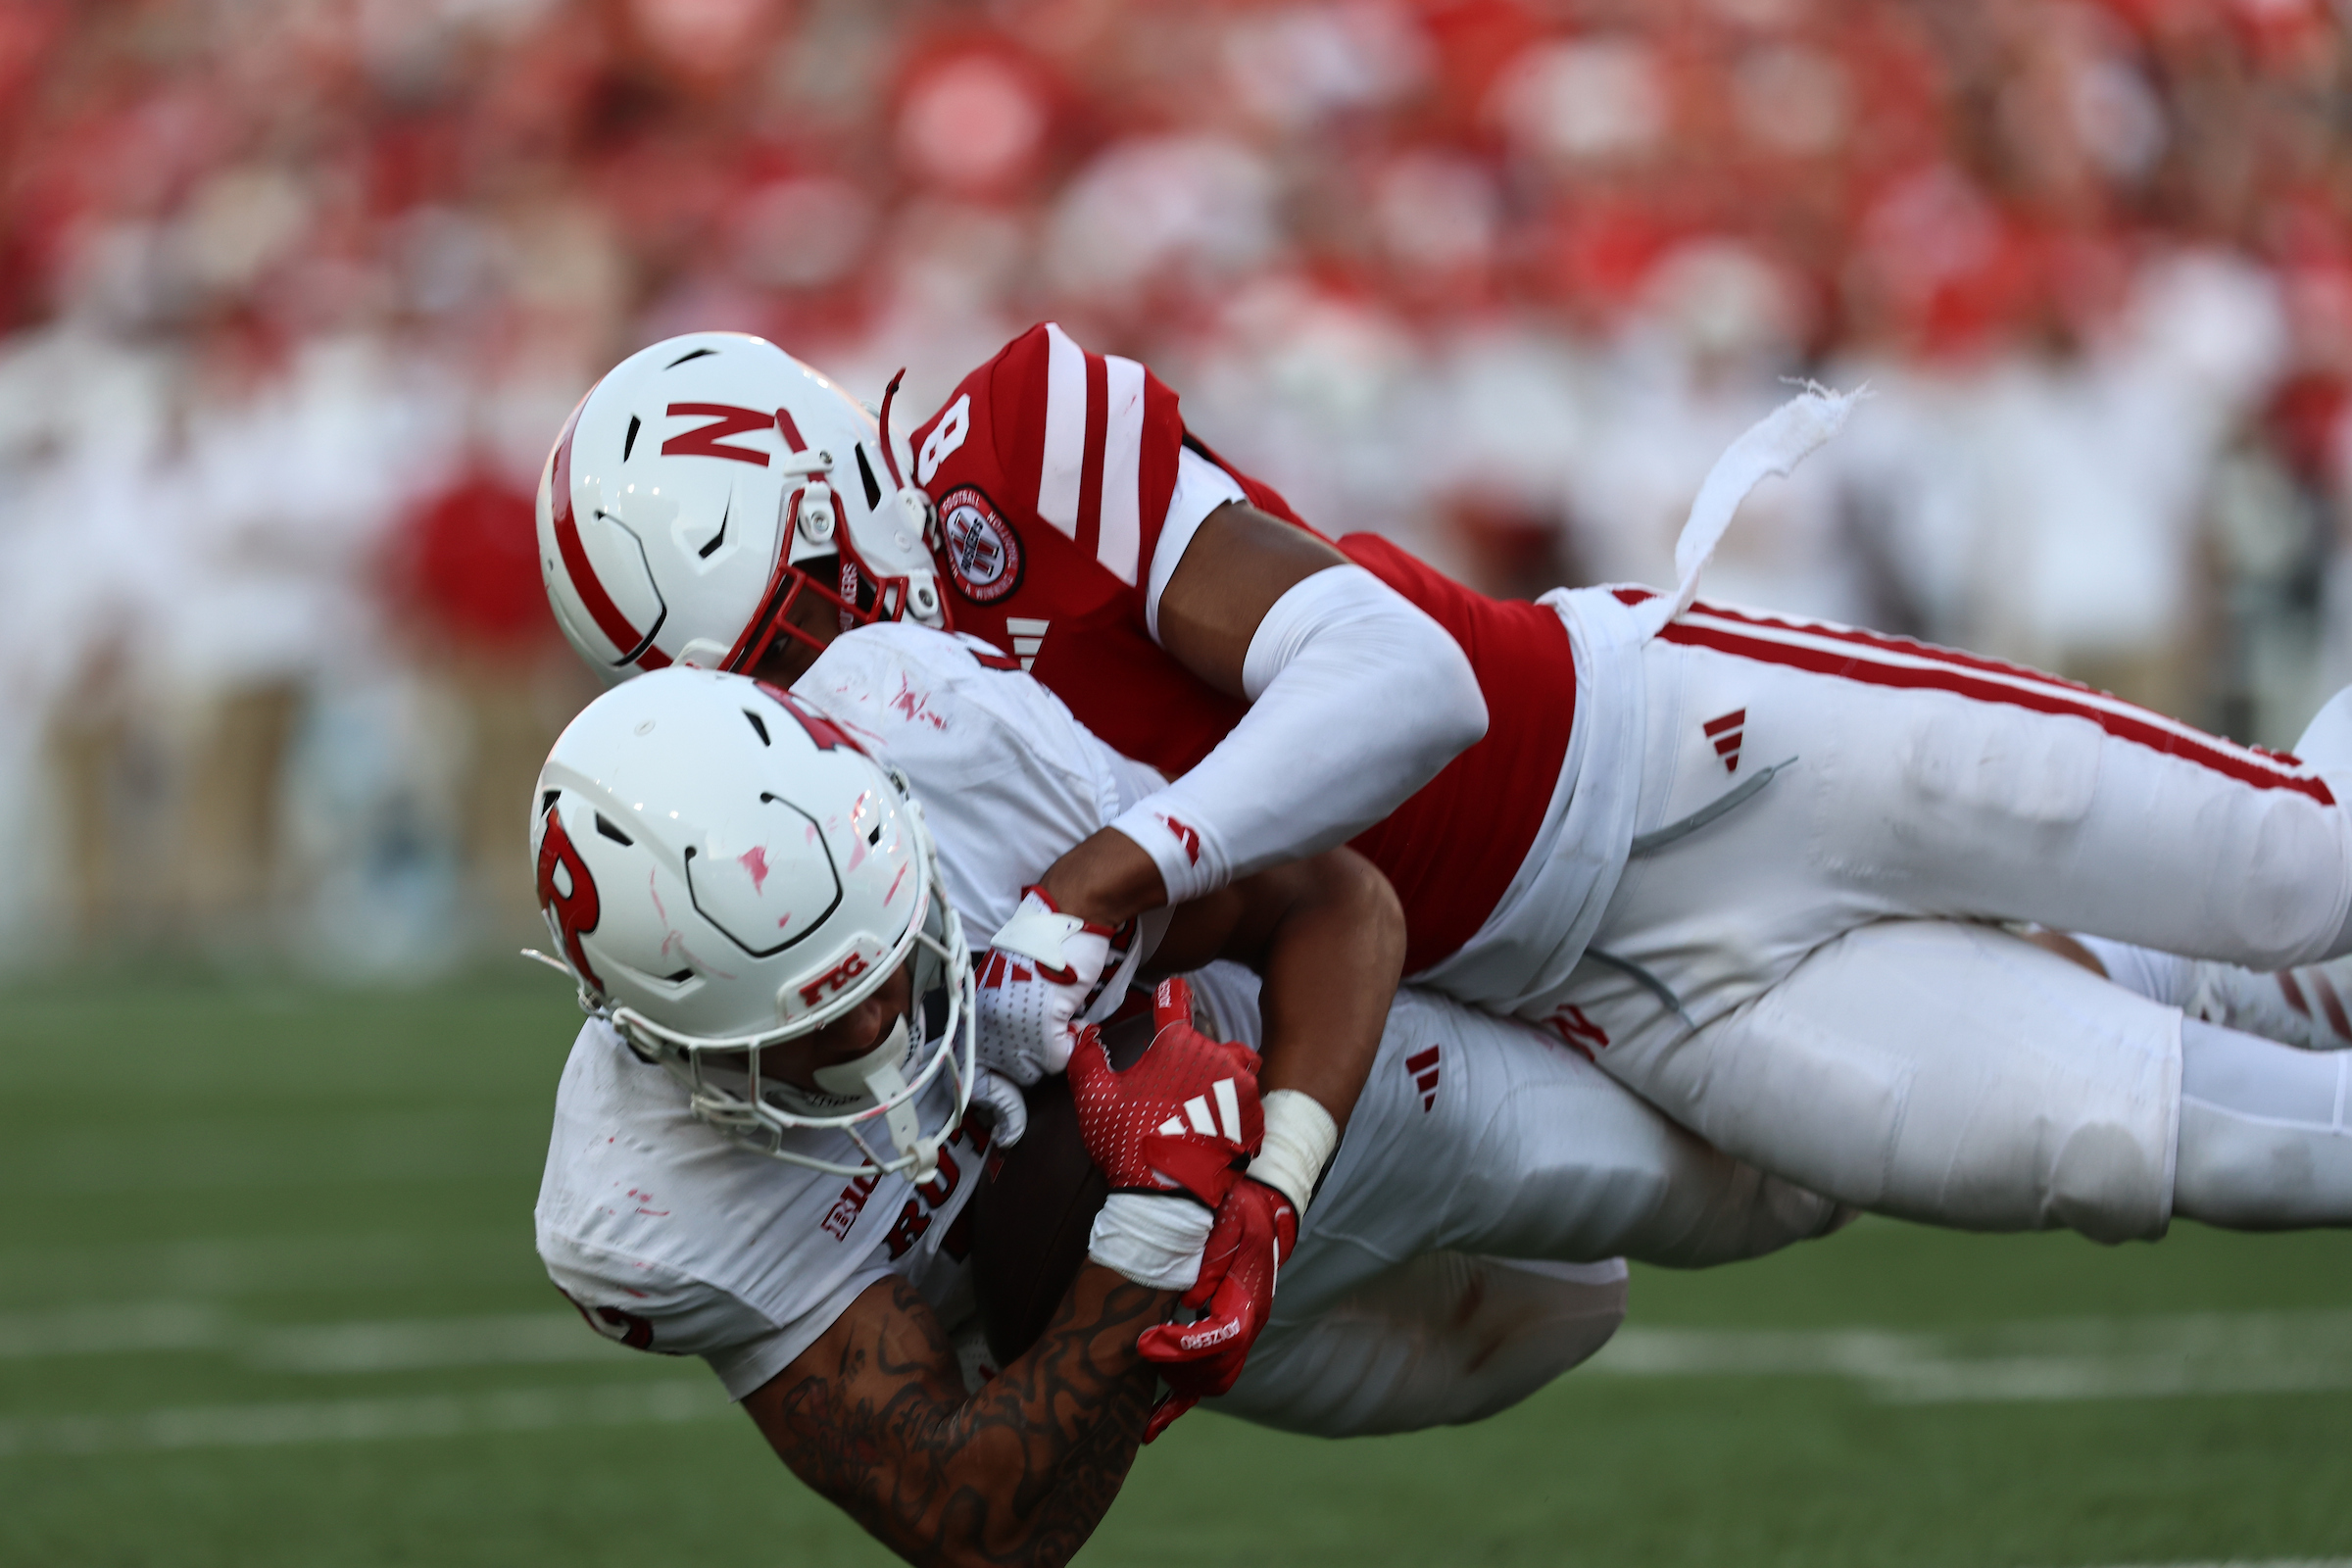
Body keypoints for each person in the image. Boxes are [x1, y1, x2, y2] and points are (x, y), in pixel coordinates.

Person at [537, 328, 2352, 1255]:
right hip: (1619, 1001)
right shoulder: (845, 797)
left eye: (808, 611)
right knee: (2153, 1147)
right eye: (761, 673)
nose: (815, 679)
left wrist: (1112, 869)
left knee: (2300, 861)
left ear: (831, 467)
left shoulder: (1017, 441)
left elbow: (1403, 687)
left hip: (1679, 746)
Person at [529, 639, 1845, 1566]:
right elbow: (975, 1530)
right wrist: (1151, 1239)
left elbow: (1332, 899)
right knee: (1554, 1325)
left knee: (1749, 1183)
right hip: (1165, 1336)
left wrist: (1269, 1176)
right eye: (809, 1030)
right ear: (642, 1027)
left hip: (1286, 1099)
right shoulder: (639, 1204)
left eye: (883, 965)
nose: (879, 1032)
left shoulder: (941, 740)